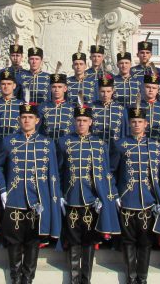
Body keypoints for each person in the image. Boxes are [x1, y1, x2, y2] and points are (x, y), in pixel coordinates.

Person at [0, 102, 62, 284]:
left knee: (33, 241)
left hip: (37, 200)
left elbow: (52, 174)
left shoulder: (47, 143)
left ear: (37, 120)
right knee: (14, 240)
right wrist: (2, 189)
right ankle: (15, 277)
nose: (26, 120)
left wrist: (52, 199)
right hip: (14, 199)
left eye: (30, 117)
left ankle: (28, 278)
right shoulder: (8, 141)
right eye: (23, 117)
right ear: (18, 119)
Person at [56, 104, 120, 284]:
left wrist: (107, 195)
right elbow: (59, 171)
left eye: (84, 121)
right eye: (78, 120)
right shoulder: (64, 142)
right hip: (71, 198)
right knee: (74, 240)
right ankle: (74, 279)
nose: (81, 124)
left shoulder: (100, 144)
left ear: (91, 122)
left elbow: (106, 172)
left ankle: (86, 279)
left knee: (89, 240)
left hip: (92, 200)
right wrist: (60, 194)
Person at [110, 104, 160, 284]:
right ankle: (131, 277)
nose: (136, 125)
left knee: (145, 242)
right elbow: (112, 172)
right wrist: (115, 194)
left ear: (146, 123)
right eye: (133, 122)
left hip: (148, 201)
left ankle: (142, 278)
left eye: (140, 121)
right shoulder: (121, 145)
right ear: (129, 124)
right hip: (127, 201)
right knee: (129, 241)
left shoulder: (155, 146)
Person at [91, 74, 128, 147]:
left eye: (108, 91)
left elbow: (124, 132)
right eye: (102, 91)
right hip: (95, 147)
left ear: (113, 91)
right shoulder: (91, 107)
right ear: (98, 91)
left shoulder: (121, 109)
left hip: (115, 148)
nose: (105, 94)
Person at [38, 73, 74, 142]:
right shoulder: (42, 107)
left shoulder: (72, 109)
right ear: (50, 88)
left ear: (65, 89)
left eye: (60, 87)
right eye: (54, 87)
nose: (56, 90)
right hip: (47, 144)